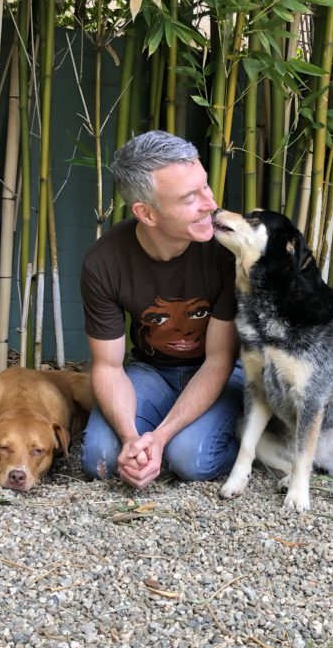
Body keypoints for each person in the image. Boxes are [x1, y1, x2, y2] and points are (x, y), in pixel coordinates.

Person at [79, 131, 244, 490]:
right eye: (189, 198)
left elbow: (219, 361)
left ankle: (254, 447)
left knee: (190, 458)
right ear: (146, 213)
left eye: (205, 187)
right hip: (151, 371)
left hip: (224, 372)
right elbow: (108, 366)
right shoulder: (103, 263)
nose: (209, 204)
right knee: (102, 460)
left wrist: (162, 436)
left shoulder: (228, 250)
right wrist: (130, 439)